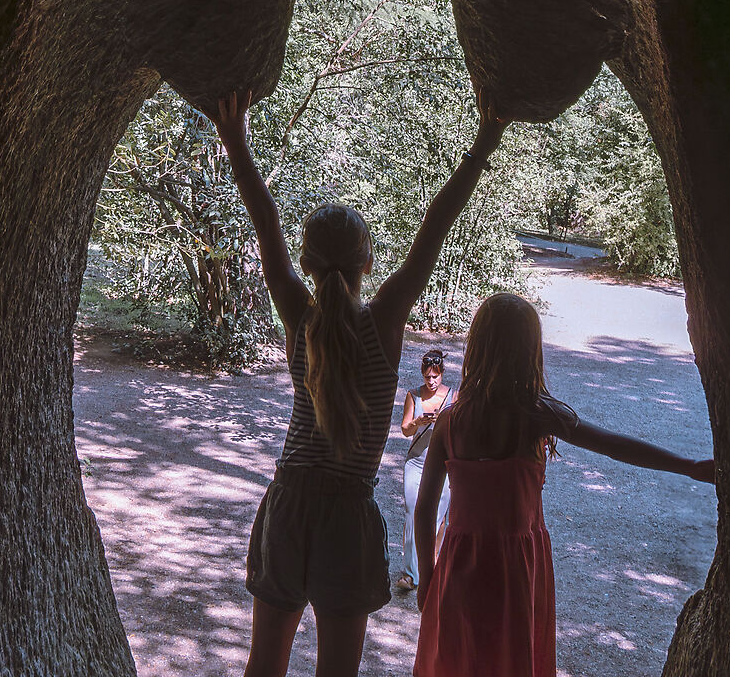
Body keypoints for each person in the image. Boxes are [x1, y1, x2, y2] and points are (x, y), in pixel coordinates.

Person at [202, 86, 513, 677]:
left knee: (262, 665)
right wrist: (483, 140)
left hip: (290, 502)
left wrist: (236, 141)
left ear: (309, 263)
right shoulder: (387, 320)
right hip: (348, 513)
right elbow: (434, 228)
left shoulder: (301, 317)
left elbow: (264, 223)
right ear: (369, 260)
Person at [411, 291, 716, 677]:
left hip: (459, 567)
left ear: (477, 347)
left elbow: (424, 510)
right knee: (509, 658)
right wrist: (688, 466)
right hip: (516, 571)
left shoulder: (450, 422)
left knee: (458, 660)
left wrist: (426, 575)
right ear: (529, 351)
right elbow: (612, 445)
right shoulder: (537, 415)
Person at [393, 348, 453, 593]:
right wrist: (418, 422)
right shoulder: (413, 395)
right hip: (417, 461)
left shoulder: (453, 396)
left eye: (435, 377)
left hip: (443, 464)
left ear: (442, 375)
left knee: (438, 515)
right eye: (427, 377)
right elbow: (405, 430)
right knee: (411, 511)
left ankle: (433, 563)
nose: (431, 382)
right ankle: (410, 573)